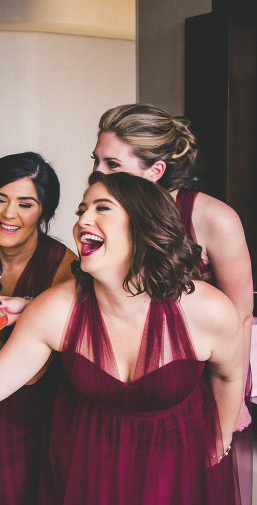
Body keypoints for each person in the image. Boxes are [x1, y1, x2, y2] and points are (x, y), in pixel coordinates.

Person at [0, 171, 244, 504]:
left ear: (144, 224)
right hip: (88, 464)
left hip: (178, 463)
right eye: (81, 210)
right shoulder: (57, 308)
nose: (83, 220)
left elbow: (229, 375)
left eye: (102, 208)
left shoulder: (207, 311)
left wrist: (222, 438)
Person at [93, 104, 253, 411]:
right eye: (96, 160)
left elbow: (240, 318)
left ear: (155, 171)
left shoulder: (214, 218)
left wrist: (234, 403)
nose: (96, 173)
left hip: (198, 381)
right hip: (127, 377)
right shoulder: (103, 215)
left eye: (112, 164)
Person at [0, 152, 76, 504]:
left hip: (33, 414)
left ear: (44, 212)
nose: (9, 214)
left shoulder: (64, 267)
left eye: (26, 204)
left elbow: (33, 374)